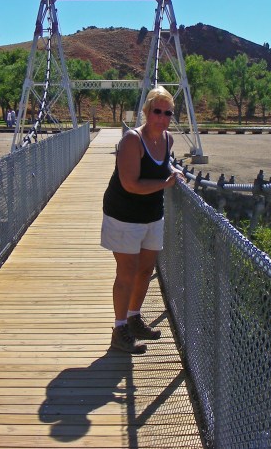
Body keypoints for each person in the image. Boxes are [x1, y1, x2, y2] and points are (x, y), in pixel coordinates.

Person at [101, 86, 185, 353]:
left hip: (152, 214)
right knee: (126, 272)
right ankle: (119, 328)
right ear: (147, 112)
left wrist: (172, 171)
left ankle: (135, 318)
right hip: (124, 215)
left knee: (144, 271)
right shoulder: (131, 141)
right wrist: (166, 182)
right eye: (156, 111)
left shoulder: (168, 139)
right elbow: (130, 184)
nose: (162, 117)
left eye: (167, 112)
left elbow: (163, 165)